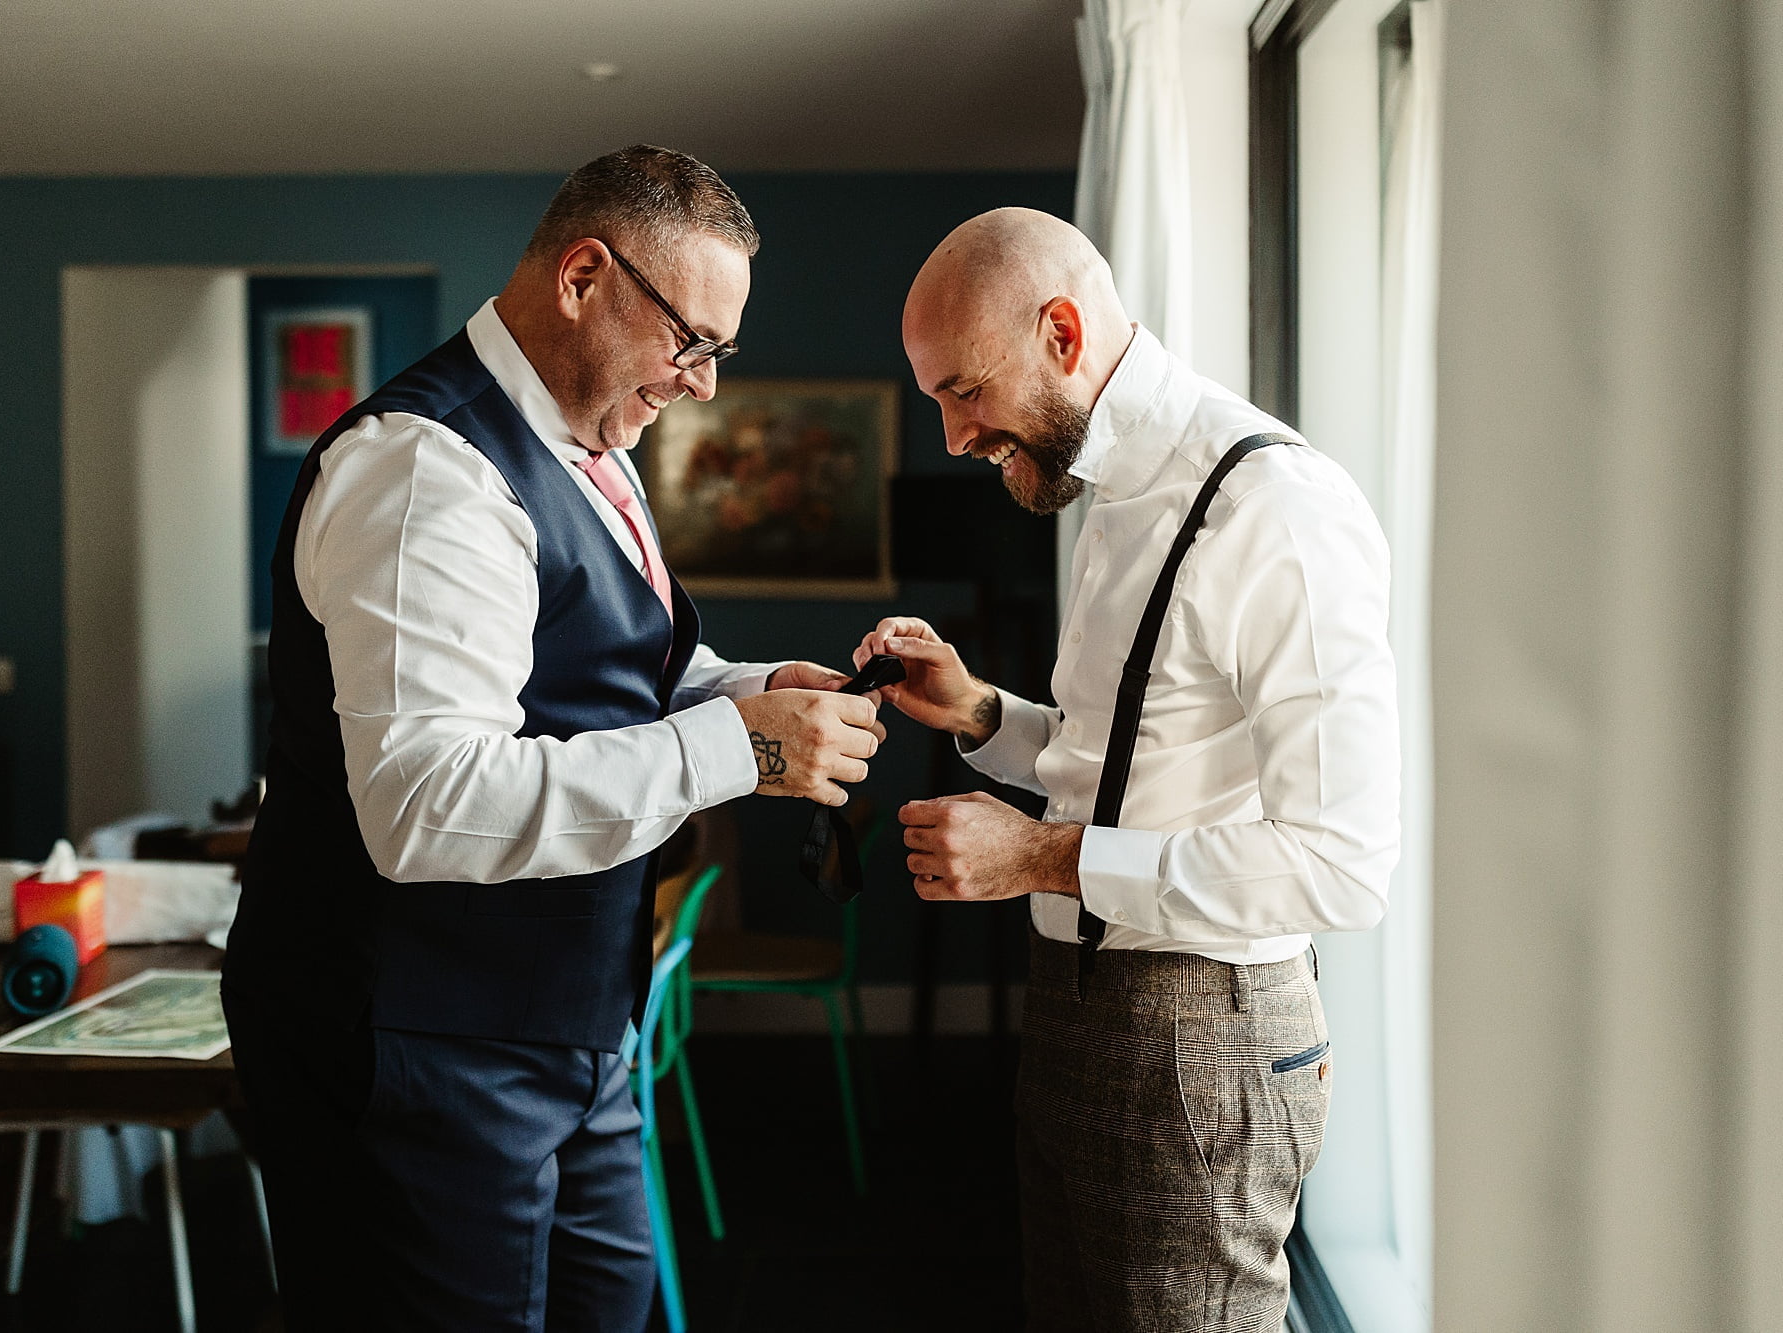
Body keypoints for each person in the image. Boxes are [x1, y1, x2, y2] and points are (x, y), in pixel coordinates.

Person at [223, 145, 883, 1332]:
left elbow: (629, 668)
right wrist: (743, 747)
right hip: (414, 1047)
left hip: (570, 1032)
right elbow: (425, 800)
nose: (702, 387)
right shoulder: (427, 471)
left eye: (717, 356)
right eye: (690, 342)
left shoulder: (596, 458)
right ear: (584, 275)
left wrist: (757, 686)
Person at [858, 207, 1399, 1331]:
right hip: (1075, 1008)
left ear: (1062, 332)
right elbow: (1123, 759)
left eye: (963, 390)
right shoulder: (1107, 489)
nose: (954, 436)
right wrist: (974, 711)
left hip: (1197, 1033)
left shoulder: (1272, 510)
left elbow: (1340, 864)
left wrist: (1041, 857)